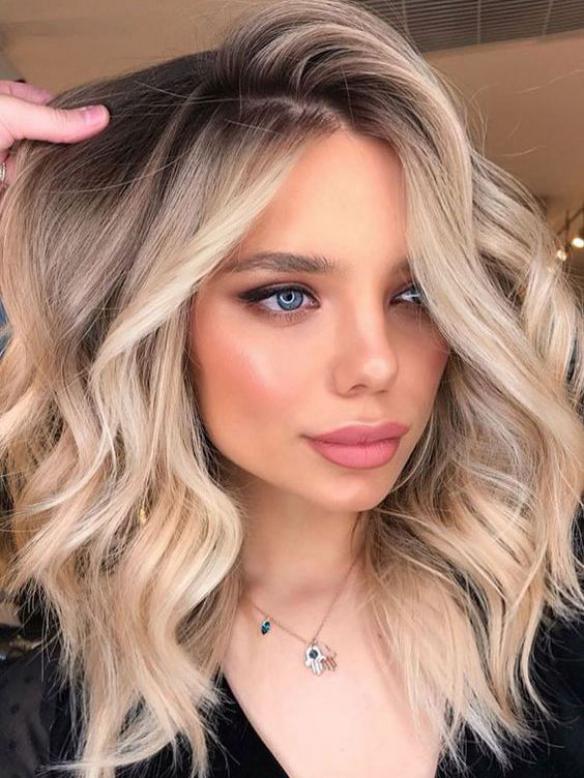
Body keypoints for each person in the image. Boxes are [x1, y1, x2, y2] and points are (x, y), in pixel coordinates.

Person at [0, 1, 583, 776]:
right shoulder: (61, 719)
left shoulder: (547, 589)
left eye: (417, 295)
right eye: (285, 296)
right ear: (155, 324)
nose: (376, 364)